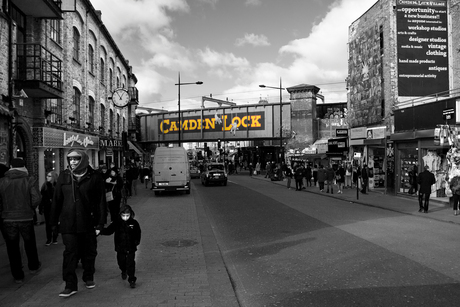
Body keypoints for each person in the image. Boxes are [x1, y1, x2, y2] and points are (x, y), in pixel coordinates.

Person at [50, 149, 107, 298]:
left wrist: (100, 223)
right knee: (70, 253)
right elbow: (57, 200)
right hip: (68, 223)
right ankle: (70, 285)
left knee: (89, 252)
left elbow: (101, 201)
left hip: (88, 221)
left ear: (83, 159)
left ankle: (88, 276)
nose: (73, 162)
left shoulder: (94, 176)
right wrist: (53, 222)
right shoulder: (64, 176)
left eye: (76, 159)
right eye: (71, 159)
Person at [0, 158, 42, 284]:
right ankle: (33, 266)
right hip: (26, 217)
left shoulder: (1, 181)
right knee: (29, 243)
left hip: (8, 218)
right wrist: (30, 208)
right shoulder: (29, 180)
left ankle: (18, 275)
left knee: (12, 247)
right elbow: (36, 198)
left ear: (11, 167)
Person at [101, 205, 141, 288]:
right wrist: (100, 231)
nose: (125, 218)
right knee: (121, 261)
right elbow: (109, 231)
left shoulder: (134, 223)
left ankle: (132, 279)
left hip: (131, 247)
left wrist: (136, 241)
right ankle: (123, 270)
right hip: (120, 247)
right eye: (123, 216)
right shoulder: (117, 223)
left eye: (127, 216)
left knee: (130, 263)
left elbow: (138, 233)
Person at [39, 170, 59, 245]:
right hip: (47, 207)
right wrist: (41, 207)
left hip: (55, 207)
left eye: (49, 176)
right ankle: (49, 238)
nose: (47, 177)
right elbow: (42, 198)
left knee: (55, 223)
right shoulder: (45, 185)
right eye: (47, 176)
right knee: (48, 224)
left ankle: (54, 238)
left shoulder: (57, 186)